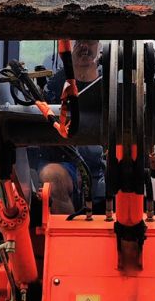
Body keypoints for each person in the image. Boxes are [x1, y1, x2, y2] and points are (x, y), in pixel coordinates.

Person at [33, 39, 105, 215]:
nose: (84, 47)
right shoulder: (53, 87)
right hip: (62, 160)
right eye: (78, 41)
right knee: (53, 176)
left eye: (91, 41)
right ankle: (67, 237)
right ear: (67, 46)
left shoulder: (111, 85)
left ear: (101, 47)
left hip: (106, 162)